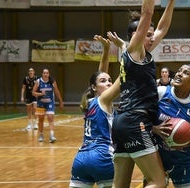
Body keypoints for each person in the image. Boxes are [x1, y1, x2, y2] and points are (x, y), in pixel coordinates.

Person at [111, 0, 175, 187]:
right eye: (147, 34)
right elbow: (147, 13)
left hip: (122, 121)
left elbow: (162, 27)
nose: (152, 37)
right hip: (134, 120)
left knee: (120, 184)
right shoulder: (134, 50)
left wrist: (171, 2)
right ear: (135, 36)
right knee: (159, 181)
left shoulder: (141, 54)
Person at [69, 34, 123, 188]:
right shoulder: (103, 100)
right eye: (104, 82)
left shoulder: (89, 102)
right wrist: (127, 50)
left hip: (81, 159)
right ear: (94, 87)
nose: (108, 83)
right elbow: (124, 76)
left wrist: (106, 50)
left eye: (110, 81)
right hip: (102, 157)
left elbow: (99, 75)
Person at [153, 64, 190, 188]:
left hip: (183, 161)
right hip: (156, 158)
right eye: (179, 71)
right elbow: (140, 119)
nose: (179, 74)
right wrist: (155, 129)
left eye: (185, 73)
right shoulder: (160, 93)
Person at [32, 68, 64, 143]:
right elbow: (33, 92)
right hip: (41, 103)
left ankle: (52, 135)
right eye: (44, 73)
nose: (45, 74)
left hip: (50, 102)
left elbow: (57, 91)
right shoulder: (38, 82)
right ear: (42, 74)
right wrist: (40, 94)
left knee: (50, 117)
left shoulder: (52, 81)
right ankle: (41, 134)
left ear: (49, 74)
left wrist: (61, 101)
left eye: (47, 73)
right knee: (41, 119)